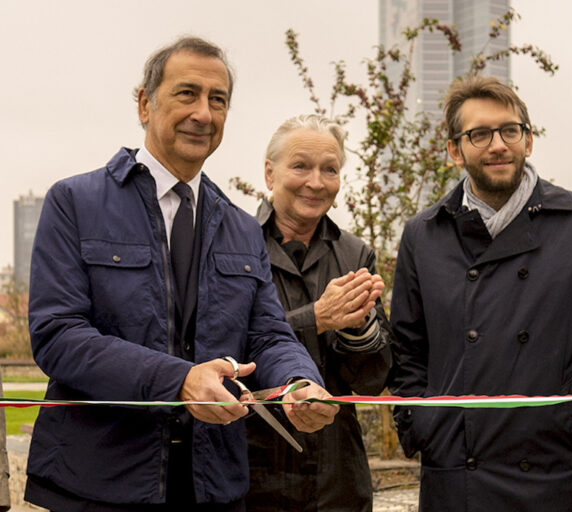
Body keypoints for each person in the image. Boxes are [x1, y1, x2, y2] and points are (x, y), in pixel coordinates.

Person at [25, 37, 338, 511]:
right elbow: (58, 336)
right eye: (187, 93)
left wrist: (298, 382)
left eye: (218, 100)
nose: (204, 114)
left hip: (213, 487)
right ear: (145, 104)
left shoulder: (239, 226)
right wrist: (178, 381)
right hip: (97, 487)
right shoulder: (74, 203)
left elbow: (268, 335)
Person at [388, 74, 572, 511]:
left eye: (510, 130)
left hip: (556, 468)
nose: (498, 144)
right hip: (457, 472)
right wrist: (421, 426)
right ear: (455, 150)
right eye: (479, 134)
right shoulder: (422, 234)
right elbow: (407, 351)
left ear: (528, 141)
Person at [245, 114, 393, 512]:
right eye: (300, 166)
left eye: (330, 169)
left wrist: (360, 331)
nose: (316, 182)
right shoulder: (234, 243)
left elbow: (371, 380)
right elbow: (226, 349)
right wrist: (317, 318)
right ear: (269, 173)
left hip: (336, 477)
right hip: (250, 471)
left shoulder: (354, 254)